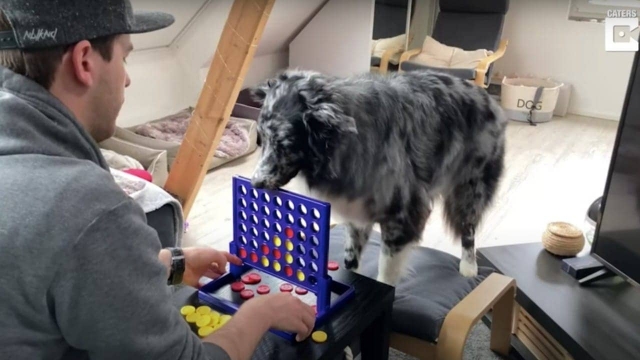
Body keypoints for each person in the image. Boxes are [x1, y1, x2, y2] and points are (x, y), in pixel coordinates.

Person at [0, 1, 316, 359]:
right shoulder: (91, 208)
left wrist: (169, 263)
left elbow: (63, 273)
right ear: (84, 61)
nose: (127, 78)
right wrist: (262, 312)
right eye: (125, 58)